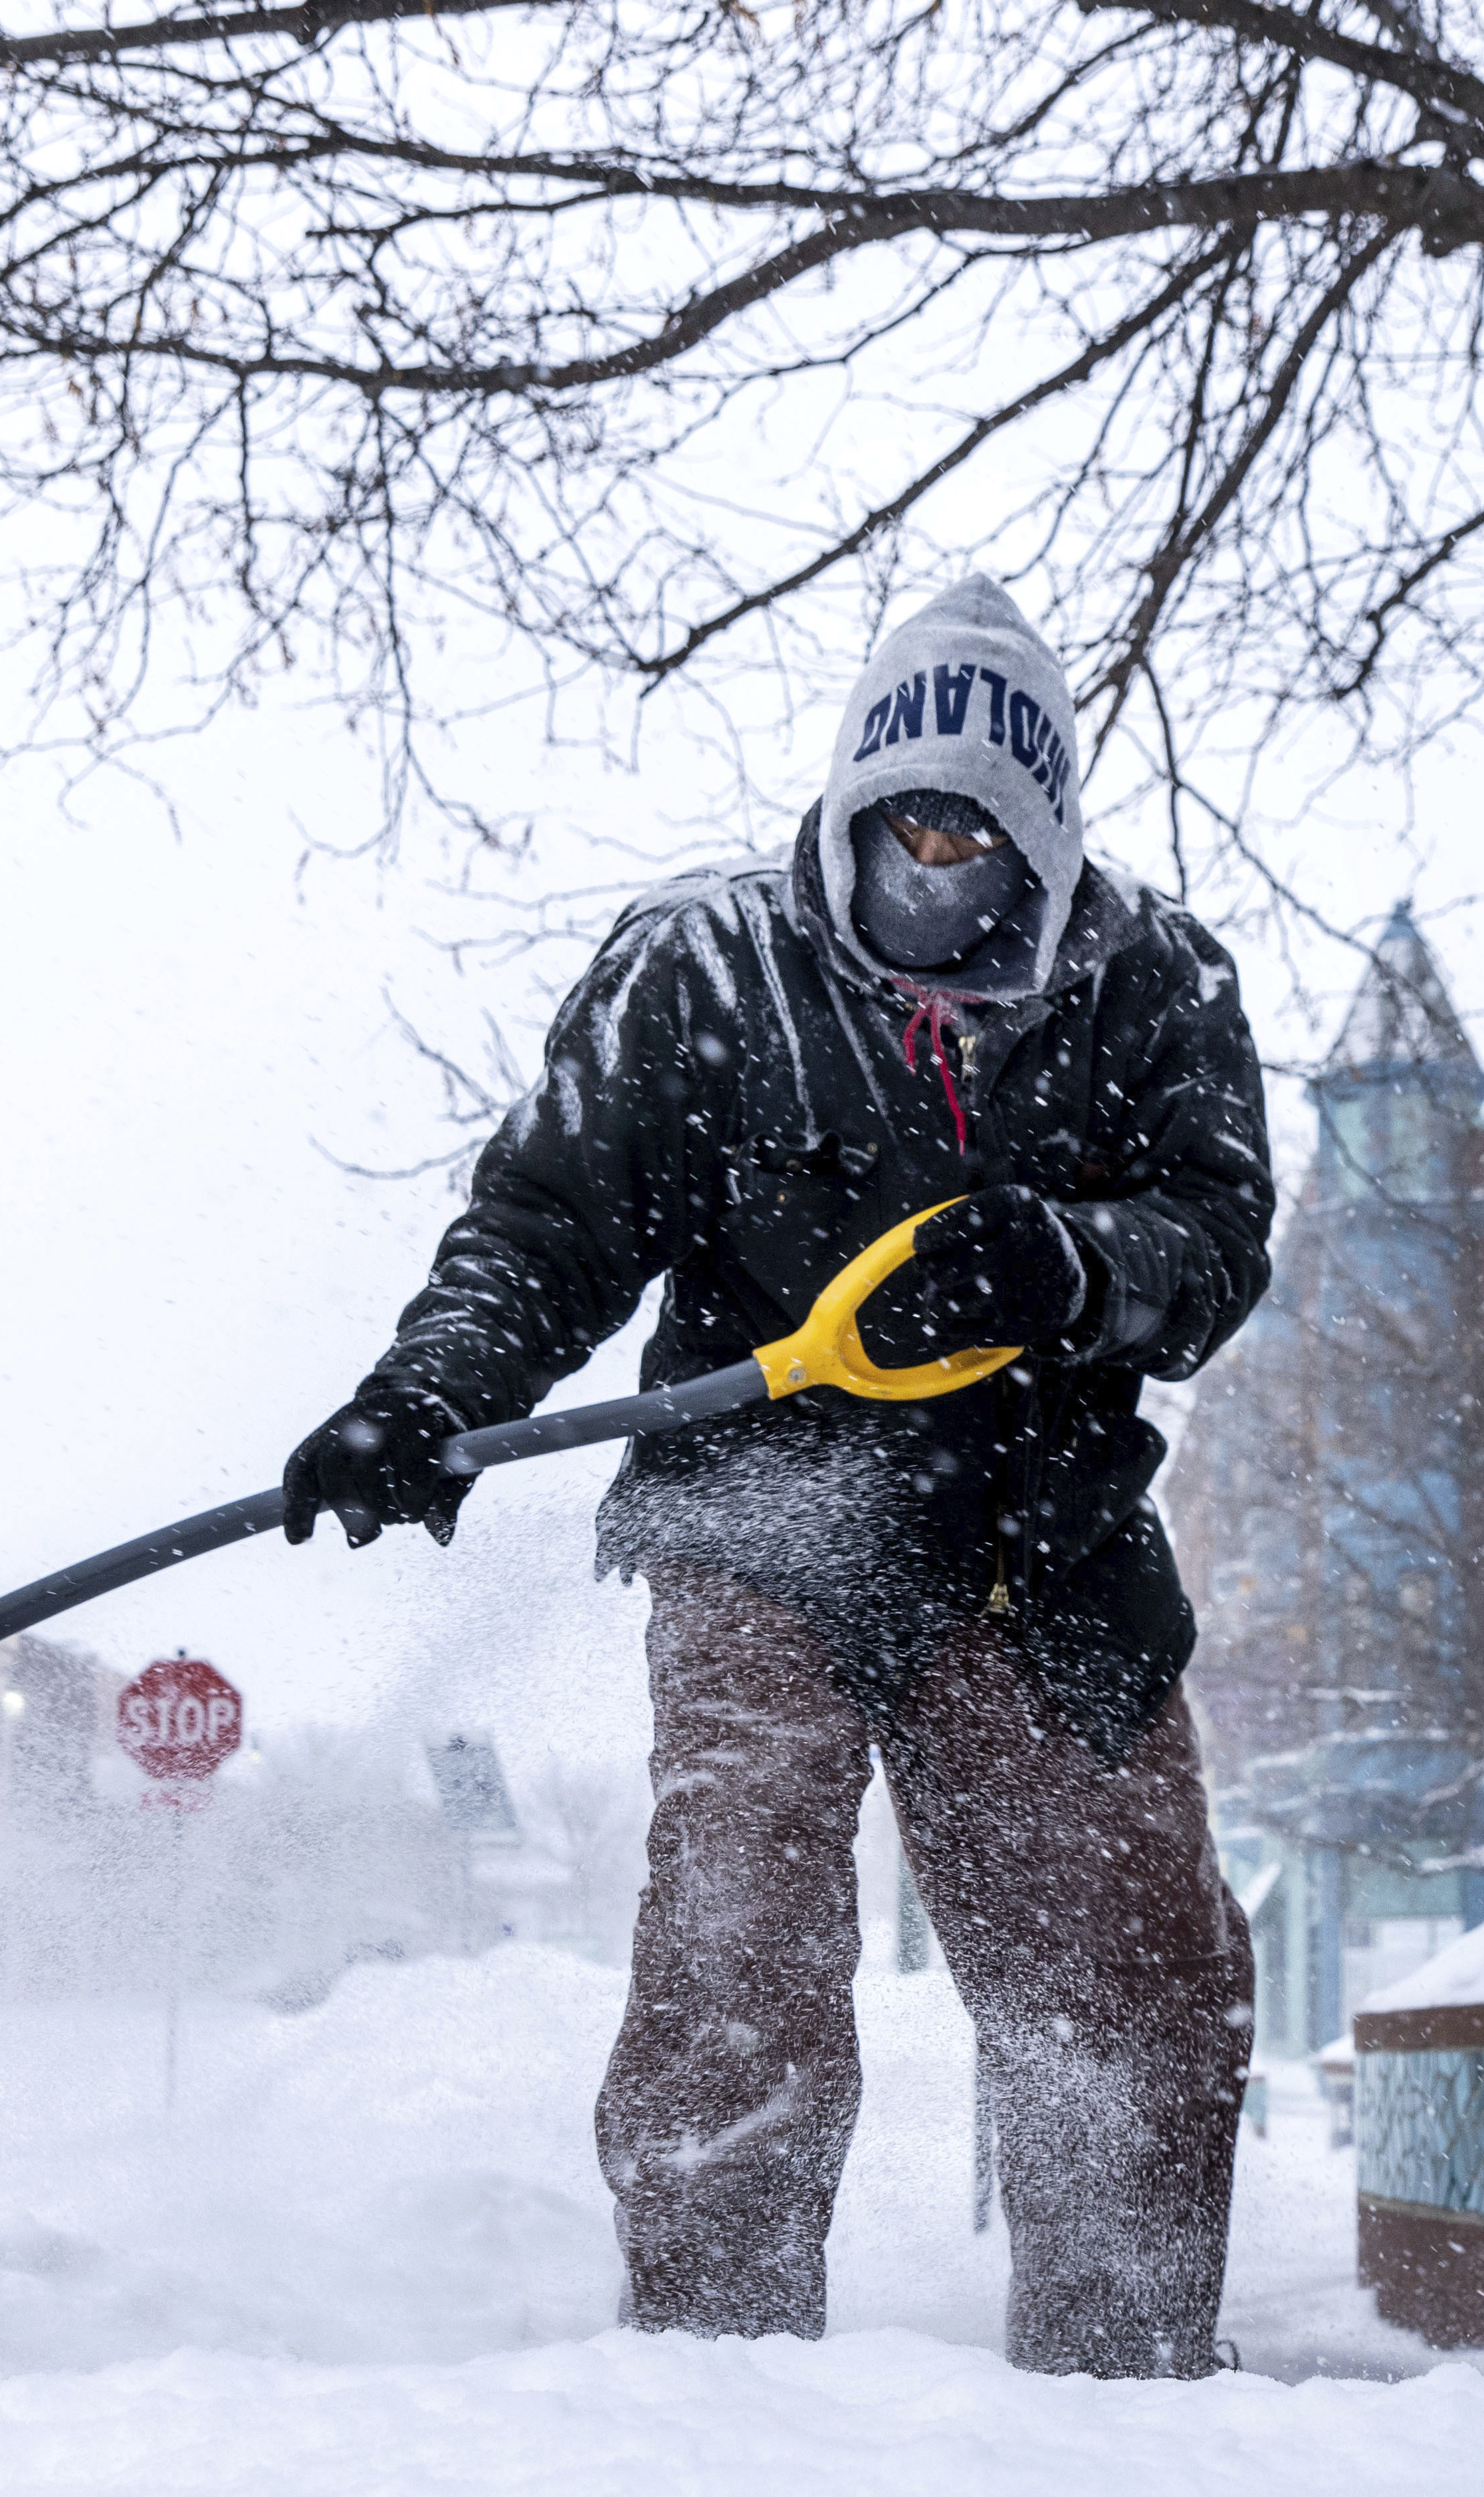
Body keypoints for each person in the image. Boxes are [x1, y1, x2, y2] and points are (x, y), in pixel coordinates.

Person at [284, 575, 1272, 2377]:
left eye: (975, 848)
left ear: (1041, 849)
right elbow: (546, 1231)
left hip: (1040, 1547)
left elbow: (1213, 1246)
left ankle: (1128, 2391)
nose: (932, 885)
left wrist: (1071, 1259)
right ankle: (717, 2382)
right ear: (848, 813)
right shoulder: (702, 968)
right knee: (739, 1928)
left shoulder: (1157, 986)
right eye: (903, 836)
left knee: (1131, 1972)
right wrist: (424, 1397)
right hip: (762, 1527)